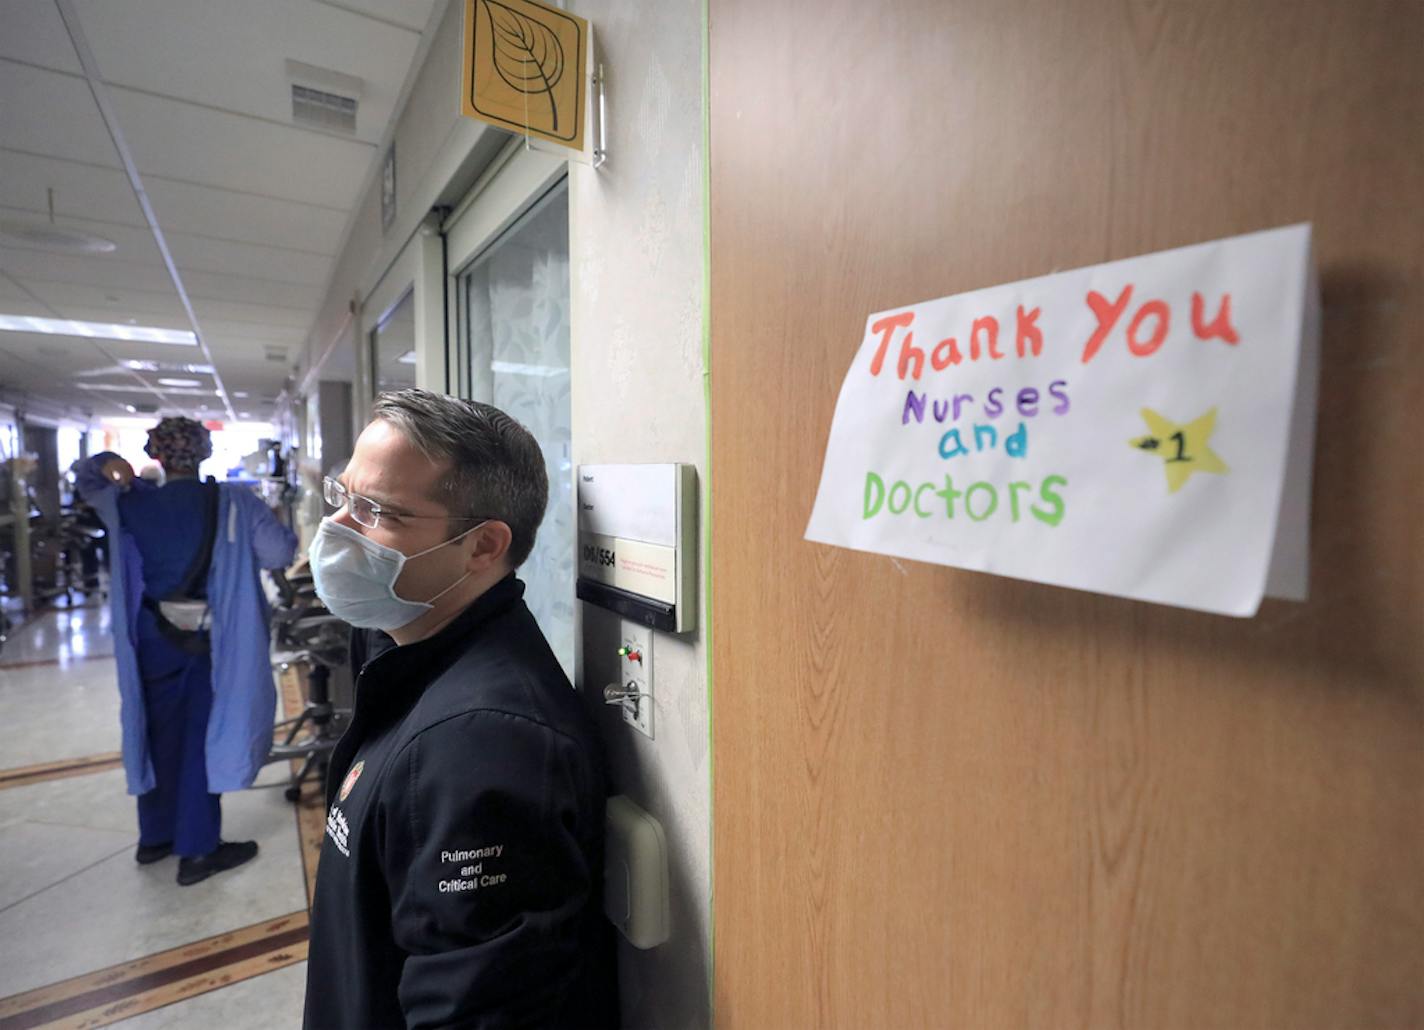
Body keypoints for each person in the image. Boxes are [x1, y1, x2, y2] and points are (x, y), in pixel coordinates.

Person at [303, 389, 615, 1029]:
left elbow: (477, 1011)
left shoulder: (485, 740)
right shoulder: (416, 653)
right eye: (344, 496)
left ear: (482, 547)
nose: (337, 527)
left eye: (378, 511)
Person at [77, 417, 297, 885]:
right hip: (211, 641)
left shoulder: (130, 502)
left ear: (155, 454)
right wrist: (278, 519)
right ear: (204, 453)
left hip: (153, 635)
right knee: (204, 736)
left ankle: (154, 837)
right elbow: (279, 555)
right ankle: (197, 851)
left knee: (157, 732)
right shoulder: (237, 502)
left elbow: (87, 480)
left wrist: (106, 463)